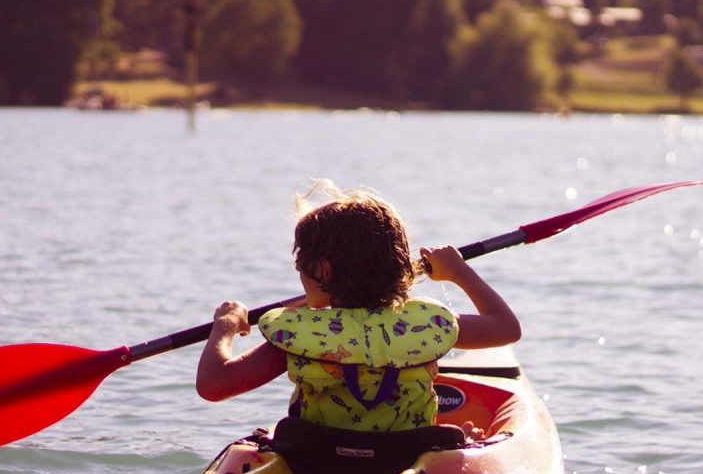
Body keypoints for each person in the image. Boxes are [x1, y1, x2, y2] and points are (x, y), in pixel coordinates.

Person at [197, 183, 520, 439]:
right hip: (409, 456)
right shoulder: (427, 324)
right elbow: (506, 328)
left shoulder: (298, 334)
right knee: (452, 437)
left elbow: (214, 385)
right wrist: (459, 272)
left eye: (300, 263)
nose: (298, 271)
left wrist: (226, 325)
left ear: (323, 271)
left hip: (315, 461)